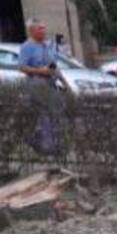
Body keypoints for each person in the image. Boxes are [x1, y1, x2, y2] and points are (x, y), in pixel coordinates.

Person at [18, 19, 62, 157]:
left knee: (56, 113)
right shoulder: (27, 47)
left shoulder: (45, 45)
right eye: (40, 28)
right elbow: (22, 67)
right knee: (45, 115)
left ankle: (36, 139)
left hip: (50, 84)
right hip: (37, 84)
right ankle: (49, 148)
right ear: (32, 31)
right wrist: (40, 71)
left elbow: (53, 65)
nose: (43, 31)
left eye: (44, 28)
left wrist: (64, 83)